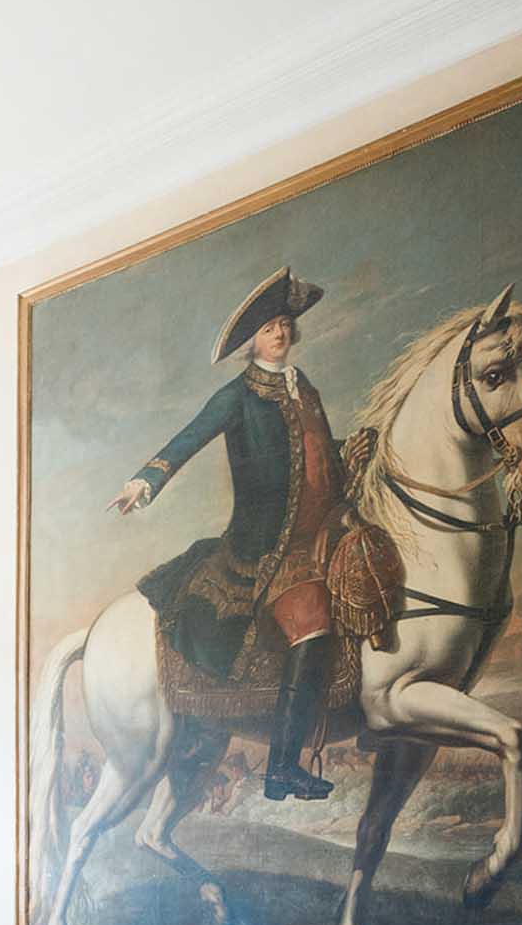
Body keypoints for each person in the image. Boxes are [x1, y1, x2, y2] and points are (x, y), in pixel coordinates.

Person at [110, 266, 366, 802]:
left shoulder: (304, 389)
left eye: (286, 324)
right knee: (314, 630)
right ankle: (281, 769)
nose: (282, 333)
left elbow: (313, 454)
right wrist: (145, 480)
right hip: (267, 551)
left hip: (321, 534)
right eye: (272, 326)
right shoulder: (238, 396)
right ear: (253, 341)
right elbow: (190, 438)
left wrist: (350, 451)